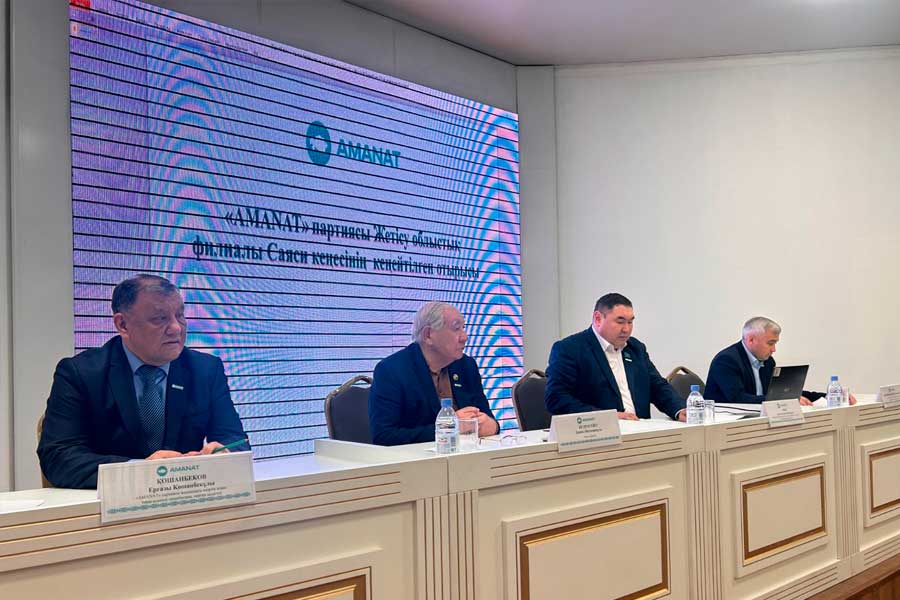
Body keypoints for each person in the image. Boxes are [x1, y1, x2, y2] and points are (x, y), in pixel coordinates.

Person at [37, 274, 249, 489]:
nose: (176, 328)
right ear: (122, 325)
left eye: (180, 315)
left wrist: (224, 453)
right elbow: (58, 457)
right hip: (112, 502)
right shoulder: (80, 373)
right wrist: (139, 470)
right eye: (160, 319)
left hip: (188, 497)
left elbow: (236, 440)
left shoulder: (206, 370)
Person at [368, 301, 499, 446]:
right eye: (456, 329)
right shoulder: (392, 370)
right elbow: (384, 436)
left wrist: (492, 426)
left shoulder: (466, 366)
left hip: (467, 454)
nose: (464, 337)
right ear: (428, 335)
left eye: (463, 328)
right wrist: (449, 427)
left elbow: (487, 417)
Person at [545, 293, 686, 421]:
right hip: (597, 434)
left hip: (640, 431)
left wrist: (679, 410)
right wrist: (608, 417)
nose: (626, 329)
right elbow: (556, 398)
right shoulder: (569, 349)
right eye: (620, 322)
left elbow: (657, 386)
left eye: (630, 322)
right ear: (598, 318)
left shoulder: (635, 348)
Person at [704, 316, 855, 406]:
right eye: (770, 343)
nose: (774, 349)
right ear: (751, 340)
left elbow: (782, 393)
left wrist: (828, 396)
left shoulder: (768, 361)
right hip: (725, 424)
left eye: (775, 343)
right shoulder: (726, 361)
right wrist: (784, 400)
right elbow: (738, 398)